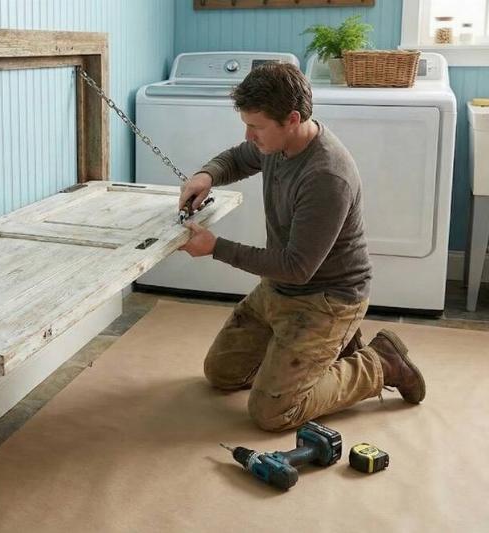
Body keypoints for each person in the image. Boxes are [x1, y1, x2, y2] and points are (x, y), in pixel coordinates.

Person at [177, 63, 425, 432]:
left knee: (272, 413)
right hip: (278, 289)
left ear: (292, 119)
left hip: (327, 298)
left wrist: (216, 247)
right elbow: (239, 157)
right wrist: (206, 174)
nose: (249, 134)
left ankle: (382, 363)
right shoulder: (274, 143)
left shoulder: (326, 175)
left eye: (256, 126)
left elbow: (296, 267)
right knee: (222, 374)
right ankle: (323, 354)